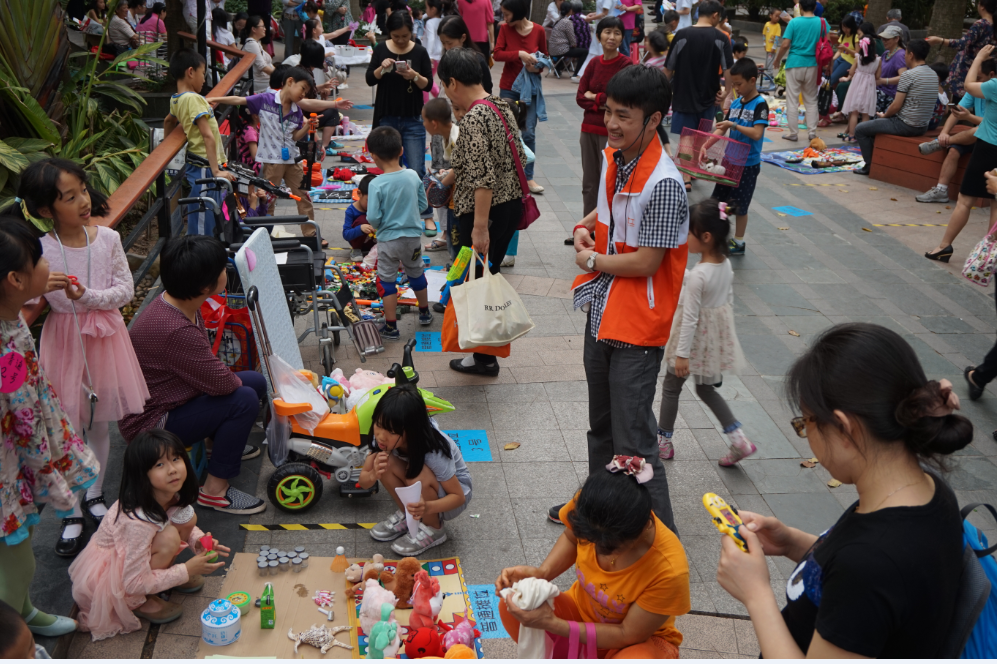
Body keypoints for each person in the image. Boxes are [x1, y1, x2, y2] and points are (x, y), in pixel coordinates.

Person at [715, 323, 969, 658]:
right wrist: (792, 542)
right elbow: (858, 574)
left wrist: (756, 594)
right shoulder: (929, 491)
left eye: (806, 423)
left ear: (844, 428)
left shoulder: (870, 565)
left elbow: (864, 573)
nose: (806, 435)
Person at [563, 65, 687, 532]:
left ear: (653, 121)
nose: (612, 124)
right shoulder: (618, 157)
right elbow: (610, 207)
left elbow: (646, 263)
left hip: (638, 326)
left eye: (625, 116)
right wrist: (586, 225)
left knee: (635, 441)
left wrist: (591, 261)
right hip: (603, 313)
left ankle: (664, 541)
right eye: (610, 112)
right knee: (602, 429)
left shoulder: (665, 183)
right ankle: (600, 515)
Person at [14, 160, 149, 557]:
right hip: (65, 342)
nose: (84, 201)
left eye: (84, 191)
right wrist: (40, 288)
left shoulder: (106, 238)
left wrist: (86, 296)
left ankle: (93, 493)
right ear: (45, 210)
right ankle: (70, 512)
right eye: (69, 198)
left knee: (98, 420)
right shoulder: (40, 248)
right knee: (64, 425)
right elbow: (26, 298)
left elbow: (125, 289)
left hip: (106, 341)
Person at [120, 236, 268, 516]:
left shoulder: (175, 302)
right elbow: (222, 383)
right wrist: (227, 381)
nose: (226, 272)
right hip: (151, 422)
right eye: (222, 269)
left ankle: (217, 446)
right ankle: (214, 491)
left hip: (168, 395)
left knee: (254, 382)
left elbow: (209, 373)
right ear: (204, 287)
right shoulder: (175, 329)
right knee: (244, 399)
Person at [0, 218, 97, 639]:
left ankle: (24, 611)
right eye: (39, 259)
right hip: (11, 465)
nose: (48, 263)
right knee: (19, 558)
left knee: (23, 539)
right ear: (16, 279)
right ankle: (12, 632)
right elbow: (22, 413)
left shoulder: (12, 318)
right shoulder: (4, 344)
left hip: (18, 460)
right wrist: (48, 471)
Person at [497, 462, 690, 658]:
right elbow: (571, 537)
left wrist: (553, 624)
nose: (595, 549)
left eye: (608, 546)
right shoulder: (591, 506)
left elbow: (627, 634)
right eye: (589, 539)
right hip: (580, 616)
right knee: (514, 603)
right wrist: (542, 573)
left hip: (636, 643)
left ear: (643, 529)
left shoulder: (669, 569)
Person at [70, 430, 229, 636]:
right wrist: (186, 570)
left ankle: (165, 576)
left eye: (175, 458)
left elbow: (178, 521)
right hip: (118, 578)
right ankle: (137, 602)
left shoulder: (167, 491)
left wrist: (197, 541)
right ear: (141, 474)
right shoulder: (137, 520)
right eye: (159, 465)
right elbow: (132, 581)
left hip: (136, 555)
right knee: (169, 538)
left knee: (186, 518)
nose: (172, 470)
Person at [437, 47, 526, 376]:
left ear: (453, 82)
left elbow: (483, 177)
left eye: (446, 86)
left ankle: (482, 356)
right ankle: (484, 353)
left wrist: (478, 227)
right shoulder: (500, 105)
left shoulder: (475, 118)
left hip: (485, 212)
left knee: (474, 283)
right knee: (485, 276)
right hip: (507, 208)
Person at [655, 198, 753, 466]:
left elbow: (690, 318)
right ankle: (739, 440)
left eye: (689, 231)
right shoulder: (725, 266)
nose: (685, 236)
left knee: (671, 388)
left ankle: (663, 442)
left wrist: (681, 355)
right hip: (712, 341)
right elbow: (722, 299)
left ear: (706, 237)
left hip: (691, 342)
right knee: (707, 390)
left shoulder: (700, 274)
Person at [207, 68, 324, 241]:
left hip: (293, 159)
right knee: (268, 198)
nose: (303, 94)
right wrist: (213, 99)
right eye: (303, 88)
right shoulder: (265, 100)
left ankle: (311, 234)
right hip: (271, 160)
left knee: (303, 195)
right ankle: (265, 234)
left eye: (306, 92)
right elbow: (239, 99)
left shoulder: (297, 110)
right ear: (290, 82)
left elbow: (295, 136)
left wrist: (307, 126)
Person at [359, 384, 472, 556]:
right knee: (384, 461)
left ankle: (434, 529)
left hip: (453, 494)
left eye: (391, 431)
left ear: (411, 430)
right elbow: (363, 481)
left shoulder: (434, 450)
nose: (381, 435)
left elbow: (458, 497)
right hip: (426, 488)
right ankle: (409, 516)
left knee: (415, 474)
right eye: (379, 425)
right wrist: (374, 473)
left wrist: (427, 507)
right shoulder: (381, 440)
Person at [924, 45, 997, 260]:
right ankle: (989, 254)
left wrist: (979, 58)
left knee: (965, 200)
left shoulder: (993, 85)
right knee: (995, 203)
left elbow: (967, 85)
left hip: (988, 147)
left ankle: (944, 246)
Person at [366, 11, 435, 229]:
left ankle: (426, 216)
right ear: (390, 33)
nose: (401, 40)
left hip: (413, 117)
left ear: (411, 32)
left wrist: (413, 75)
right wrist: (381, 68)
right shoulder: (381, 49)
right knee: (389, 169)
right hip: (387, 117)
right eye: (396, 36)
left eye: (405, 36)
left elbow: (427, 84)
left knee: (416, 168)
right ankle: (392, 213)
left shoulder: (420, 51)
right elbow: (369, 79)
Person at [365, 126, 433, 339]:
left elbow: (373, 218)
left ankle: (391, 327)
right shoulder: (413, 175)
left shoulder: (376, 184)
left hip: (388, 240)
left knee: (387, 280)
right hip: (412, 238)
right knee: (416, 272)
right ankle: (424, 313)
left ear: (373, 156)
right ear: (402, 150)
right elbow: (423, 205)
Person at [163, 50, 236, 237]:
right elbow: (208, 136)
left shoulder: (177, 99)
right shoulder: (193, 99)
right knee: (204, 218)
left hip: (199, 165)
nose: (204, 79)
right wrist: (216, 171)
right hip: (206, 167)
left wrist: (166, 150)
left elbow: (168, 121)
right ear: (190, 72)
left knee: (206, 213)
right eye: (203, 73)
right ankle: (201, 258)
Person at [664, 0, 733, 192]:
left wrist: (659, 89)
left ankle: (686, 176)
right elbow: (728, 69)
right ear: (715, 16)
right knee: (700, 137)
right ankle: (691, 171)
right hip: (708, 96)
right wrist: (726, 91)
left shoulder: (681, 35)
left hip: (683, 94)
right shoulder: (721, 37)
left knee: (686, 137)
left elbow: (668, 68)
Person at [703, 58, 767, 256]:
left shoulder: (760, 105)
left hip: (748, 164)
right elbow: (722, 129)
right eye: (734, 84)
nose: (736, 88)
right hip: (730, 160)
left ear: (752, 80)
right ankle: (719, 234)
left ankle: (739, 242)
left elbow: (757, 133)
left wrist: (734, 126)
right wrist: (705, 145)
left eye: (739, 84)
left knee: (740, 205)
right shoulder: (737, 103)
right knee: (719, 201)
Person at [916, 58, 995, 204]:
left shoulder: (993, 89)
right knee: (953, 150)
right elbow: (956, 111)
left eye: (979, 78)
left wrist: (969, 117)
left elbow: (990, 124)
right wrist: (944, 133)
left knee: (977, 130)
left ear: (991, 75)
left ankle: (939, 144)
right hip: (978, 136)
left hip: (990, 140)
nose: (975, 81)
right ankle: (941, 190)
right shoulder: (975, 89)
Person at [853, 39, 936, 176]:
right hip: (923, 125)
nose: (904, 57)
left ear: (911, 55)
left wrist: (885, 116)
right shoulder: (933, 74)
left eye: (905, 54)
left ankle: (869, 165)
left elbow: (896, 105)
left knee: (860, 129)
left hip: (906, 125)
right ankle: (878, 161)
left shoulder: (908, 75)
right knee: (875, 125)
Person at [577, 17, 631, 216]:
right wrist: (604, 102)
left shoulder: (626, 65)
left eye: (617, 33)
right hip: (588, 129)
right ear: (599, 36)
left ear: (622, 38)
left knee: (609, 180)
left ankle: (606, 228)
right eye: (607, 32)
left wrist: (596, 97)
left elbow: (622, 100)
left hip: (612, 132)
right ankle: (585, 228)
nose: (612, 37)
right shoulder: (593, 63)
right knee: (589, 182)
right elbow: (580, 97)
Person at [494, 0, 547, 194]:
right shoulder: (506, 30)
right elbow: (497, 54)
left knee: (528, 132)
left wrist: (536, 65)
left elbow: (545, 56)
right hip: (509, 88)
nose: (504, 18)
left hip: (529, 89)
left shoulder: (539, 30)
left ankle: (528, 177)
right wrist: (520, 54)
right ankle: (507, 175)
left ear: (518, 12)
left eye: (507, 14)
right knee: (507, 130)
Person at [772, 0, 823, 142]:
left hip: (794, 63)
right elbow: (827, 45)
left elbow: (785, 44)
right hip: (813, 64)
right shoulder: (822, 23)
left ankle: (793, 133)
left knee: (792, 100)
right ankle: (812, 133)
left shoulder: (794, 23)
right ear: (814, 7)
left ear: (800, 7)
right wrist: (828, 65)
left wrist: (777, 60)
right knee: (811, 100)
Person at [927, 0, 995, 101]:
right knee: (977, 103)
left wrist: (939, 40)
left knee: (959, 105)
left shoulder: (981, 24)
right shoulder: (993, 25)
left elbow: (962, 44)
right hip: (984, 72)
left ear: (982, 6)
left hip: (967, 71)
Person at [423, 97, 459, 256]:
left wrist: (442, 181)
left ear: (434, 123)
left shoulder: (456, 137)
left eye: (424, 121)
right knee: (453, 237)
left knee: (459, 240)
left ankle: (459, 274)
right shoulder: (445, 136)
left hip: (464, 201)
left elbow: (460, 168)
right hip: (454, 198)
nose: (423, 125)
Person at [838, 35, 879, 142]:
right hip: (869, 87)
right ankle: (863, 136)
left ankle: (851, 136)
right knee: (865, 113)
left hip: (857, 85)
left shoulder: (858, 58)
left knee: (854, 112)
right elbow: (878, 76)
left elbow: (851, 72)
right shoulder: (878, 60)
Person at [438, 15, 494, 93]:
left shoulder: (477, 60)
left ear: (463, 37)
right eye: (443, 43)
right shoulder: (446, 59)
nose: (447, 47)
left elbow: (487, 88)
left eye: (449, 43)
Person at [873, 24, 906, 112]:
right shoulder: (886, 53)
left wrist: (883, 81)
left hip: (889, 94)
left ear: (896, 39)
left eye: (887, 39)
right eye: (883, 39)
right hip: (879, 90)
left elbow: (903, 77)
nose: (884, 41)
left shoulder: (900, 55)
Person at [344, 175, 377, 261]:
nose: (373, 204)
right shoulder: (351, 210)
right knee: (363, 219)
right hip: (359, 243)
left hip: (376, 242)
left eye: (377, 200)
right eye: (369, 200)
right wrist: (360, 229)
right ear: (359, 194)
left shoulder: (378, 207)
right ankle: (356, 250)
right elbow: (346, 234)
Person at [240, 15, 276, 93]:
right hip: (254, 82)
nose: (265, 29)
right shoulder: (251, 45)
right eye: (262, 26)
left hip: (261, 79)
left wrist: (279, 72)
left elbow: (268, 64)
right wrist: (279, 76)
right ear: (254, 29)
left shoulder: (256, 43)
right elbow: (262, 67)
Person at [549, 1, 587, 69]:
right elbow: (572, 40)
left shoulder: (558, 19)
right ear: (570, 10)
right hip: (561, 50)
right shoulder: (567, 22)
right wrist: (575, 45)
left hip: (552, 49)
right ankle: (577, 73)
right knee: (585, 52)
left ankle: (558, 70)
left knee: (567, 49)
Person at [830, 14, 857, 88]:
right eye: (843, 27)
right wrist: (832, 59)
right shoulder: (843, 36)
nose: (845, 29)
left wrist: (846, 48)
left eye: (847, 27)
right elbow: (839, 51)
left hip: (849, 62)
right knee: (827, 75)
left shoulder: (855, 36)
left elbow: (857, 54)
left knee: (832, 78)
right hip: (840, 58)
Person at [763, 7, 782, 72]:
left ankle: (769, 74)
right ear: (770, 15)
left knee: (770, 61)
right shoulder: (767, 24)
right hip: (767, 47)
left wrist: (774, 46)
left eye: (778, 16)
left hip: (772, 48)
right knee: (767, 60)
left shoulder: (777, 26)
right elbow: (764, 34)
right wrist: (764, 43)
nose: (777, 18)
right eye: (776, 16)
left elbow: (777, 37)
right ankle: (767, 73)